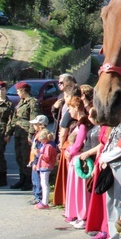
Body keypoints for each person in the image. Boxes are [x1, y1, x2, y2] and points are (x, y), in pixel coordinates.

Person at [64, 94, 93, 230]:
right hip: (76, 158)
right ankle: (77, 214)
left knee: (80, 189)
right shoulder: (79, 123)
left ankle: (83, 215)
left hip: (80, 159)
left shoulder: (82, 123)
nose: (69, 112)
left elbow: (79, 143)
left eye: (70, 108)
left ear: (76, 107)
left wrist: (69, 151)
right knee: (76, 188)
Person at [52, 75, 78, 206]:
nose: (59, 85)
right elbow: (59, 118)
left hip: (71, 137)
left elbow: (67, 120)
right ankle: (65, 201)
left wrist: (62, 142)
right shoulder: (61, 98)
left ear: (69, 83)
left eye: (61, 82)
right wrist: (55, 108)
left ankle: (70, 202)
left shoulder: (75, 96)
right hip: (61, 133)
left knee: (70, 172)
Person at [11, 81, 41, 191]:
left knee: (26, 157)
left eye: (18, 91)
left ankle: (28, 180)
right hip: (19, 133)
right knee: (19, 156)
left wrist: (31, 135)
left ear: (24, 91)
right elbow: (15, 117)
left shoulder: (32, 102)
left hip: (26, 133)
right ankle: (22, 178)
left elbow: (34, 120)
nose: (17, 93)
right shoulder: (21, 102)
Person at [33, 128, 57, 210]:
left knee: (44, 184)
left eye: (41, 140)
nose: (41, 141)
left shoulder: (49, 146)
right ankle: (43, 201)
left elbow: (47, 157)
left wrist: (39, 153)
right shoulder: (46, 145)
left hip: (46, 166)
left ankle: (45, 202)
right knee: (43, 183)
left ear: (45, 138)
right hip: (43, 166)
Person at [28, 114, 49, 206]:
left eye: (35, 124)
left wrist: (36, 162)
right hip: (34, 160)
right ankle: (36, 195)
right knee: (34, 179)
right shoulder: (36, 134)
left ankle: (38, 197)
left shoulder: (42, 136)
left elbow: (39, 151)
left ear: (41, 125)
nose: (33, 126)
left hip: (38, 161)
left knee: (37, 180)